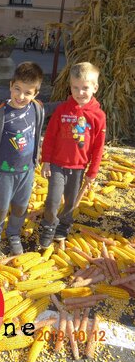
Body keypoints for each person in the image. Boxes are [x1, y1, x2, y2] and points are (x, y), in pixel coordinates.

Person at [0, 61, 59, 259]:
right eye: (17, 89)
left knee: (20, 207)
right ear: (10, 85)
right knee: (0, 208)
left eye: (27, 92)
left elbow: (55, 107)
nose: (21, 96)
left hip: (27, 172)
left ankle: (13, 233)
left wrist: (75, 104)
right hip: (4, 173)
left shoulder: (36, 109)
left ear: (36, 94)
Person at [40, 62, 106, 248]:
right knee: (53, 200)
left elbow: (98, 147)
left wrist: (92, 171)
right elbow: (50, 137)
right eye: (75, 88)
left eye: (85, 88)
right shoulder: (62, 110)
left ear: (95, 87)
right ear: (70, 87)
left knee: (70, 202)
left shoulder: (98, 116)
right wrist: (46, 161)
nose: (80, 92)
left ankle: (63, 227)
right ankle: (48, 227)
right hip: (57, 165)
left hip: (78, 167)